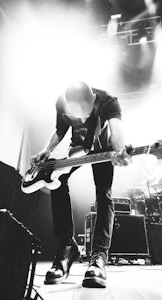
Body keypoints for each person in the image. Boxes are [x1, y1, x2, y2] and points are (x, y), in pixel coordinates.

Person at [32, 81, 130, 288]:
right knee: (57, 181)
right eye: (78, 115)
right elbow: (60, 130)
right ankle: (67, 245)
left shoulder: (107, 100)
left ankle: (99, 258)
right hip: (77, 151)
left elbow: (117, 129)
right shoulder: (61, 102)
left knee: (104, 195)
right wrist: (47, 150)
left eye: (86, 113)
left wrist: (120, 150)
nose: (83, 119)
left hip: (103, 151)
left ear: (93, 100)